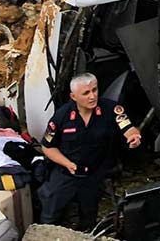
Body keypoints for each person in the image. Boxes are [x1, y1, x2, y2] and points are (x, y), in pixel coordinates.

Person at [39, 73, 142, 229]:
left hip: (94, 174)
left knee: (89, 215)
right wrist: (67, 164)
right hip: (66, 172)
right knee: (50, 214)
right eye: (86, 93)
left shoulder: (111, 109)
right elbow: (47, 146)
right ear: (73, 96)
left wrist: (133, 136)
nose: (92, 96)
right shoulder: (62, 116)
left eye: (94, 90)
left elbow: (128, 127)